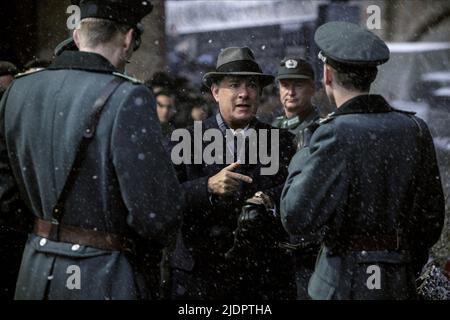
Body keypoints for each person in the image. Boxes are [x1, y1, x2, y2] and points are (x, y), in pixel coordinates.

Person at [0, 0, 182, 300]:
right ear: (127, 40)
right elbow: (155, 215)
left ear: (75, 37)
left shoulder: (18, 91)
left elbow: (6, 198)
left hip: (35, 270)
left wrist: (47, 231)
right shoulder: (128, 96)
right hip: (104, 274)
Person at [281, 21, 445, 300]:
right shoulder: (415, 128)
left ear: (327, 75)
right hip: (398, 279)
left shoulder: (331, 133)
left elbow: (295, 216)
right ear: (371, 76)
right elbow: (431, 220)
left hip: (341, 280)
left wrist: (303, 151)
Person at [169, 47, 296, 299]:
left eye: (251, 85)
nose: (243, 94)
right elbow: (160, 199)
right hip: (200, 281)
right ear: (215, 92)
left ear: (260, 92)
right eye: (234, 85)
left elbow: (298, 192)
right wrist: (206, 186)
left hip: (262, 281)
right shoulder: (184, 141)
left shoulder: (281, 142)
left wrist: (269, 198)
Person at [272, 57, 320, 150]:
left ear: (312, 88)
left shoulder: (319, 129)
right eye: (285, 85)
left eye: (298, 85)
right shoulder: (275, 125)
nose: (291, 92)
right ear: (279, 89)